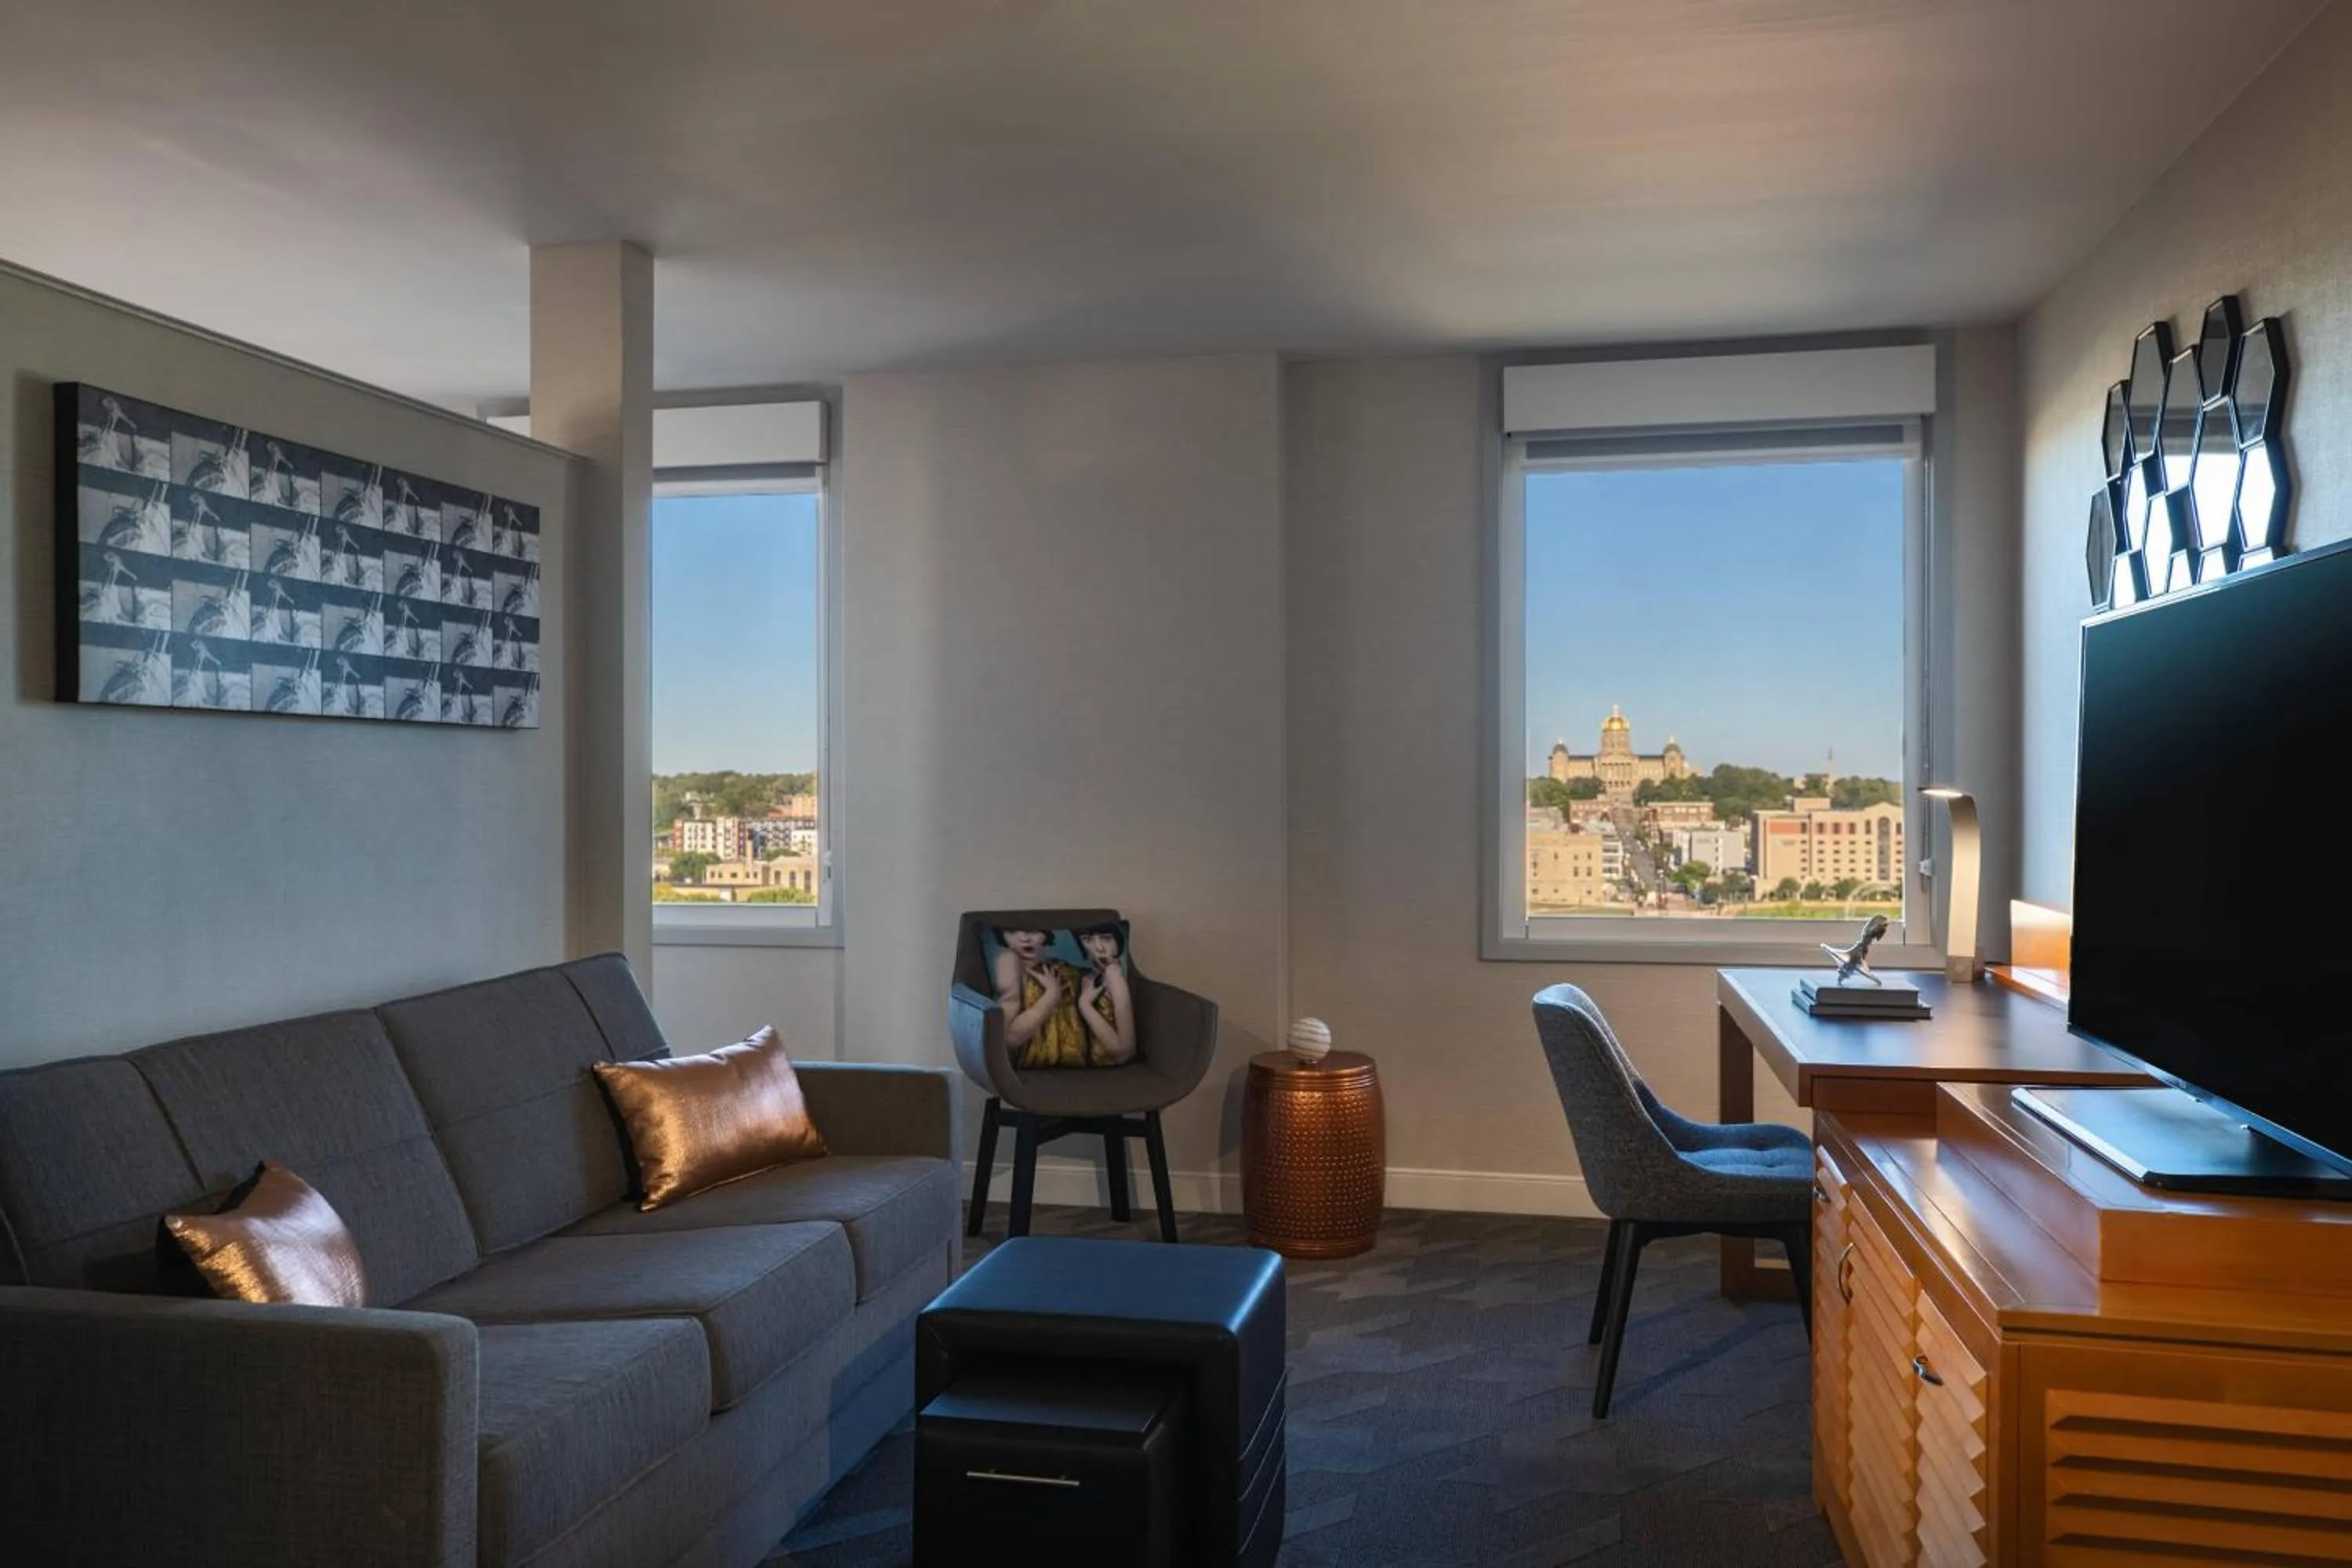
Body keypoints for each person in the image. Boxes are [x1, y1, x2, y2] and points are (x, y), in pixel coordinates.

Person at [993, 927, 1088, 1069]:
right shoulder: (1007, 963)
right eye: (1012, 931)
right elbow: (1010, 1039)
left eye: (1033, 931)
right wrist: (1051, 995)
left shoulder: (1068, 972)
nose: (1024, 938)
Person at [1073, 923, 1137, 1066]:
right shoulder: (1093, 976)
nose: (1099, 948)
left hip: (1117, 1070)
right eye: (1088, 940)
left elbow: (1125, 1050)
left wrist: (1085, 1005)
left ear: (1118, 939)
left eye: (1106, 938)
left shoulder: (1114, 974)